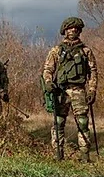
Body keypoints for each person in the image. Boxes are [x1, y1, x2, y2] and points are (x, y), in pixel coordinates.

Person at [42, 17, 98, 162]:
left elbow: (93, 72)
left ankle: (85, 155)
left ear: (79, 31)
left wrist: (92, 90)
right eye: (70, 28)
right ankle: (58, 155)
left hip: (79, 90)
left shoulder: (86, 51)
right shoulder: (56, 50)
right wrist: (48, 83)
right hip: (61, 91)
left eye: (76, 28)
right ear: (65, 31)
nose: (73, 30)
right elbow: (47, 70)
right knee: (59, 122)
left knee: (83, 122)